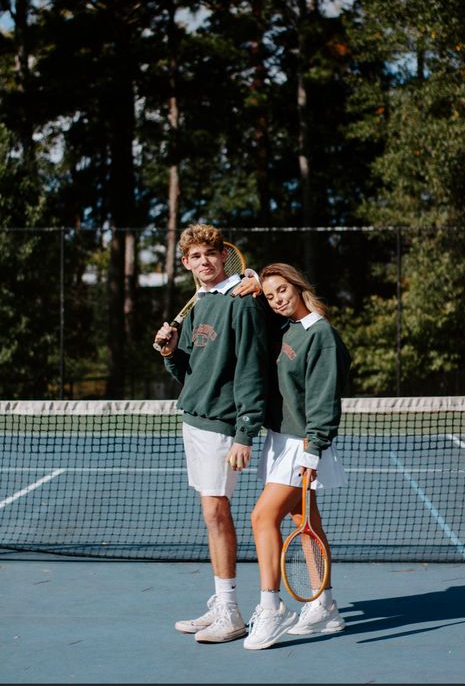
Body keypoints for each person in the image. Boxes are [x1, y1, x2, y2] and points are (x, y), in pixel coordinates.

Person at [154, 224, 268, 644]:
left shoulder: (242, 303)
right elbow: (189, 374)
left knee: (217, 515)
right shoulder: (199, 306)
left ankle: (232, 613)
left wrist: (245, 432)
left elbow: (252, 369)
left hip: (223, 425)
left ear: (225, 257)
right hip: (194, 421)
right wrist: (169, 351)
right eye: (196, 257)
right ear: (186, 263)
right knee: (211, 514)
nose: (205, 262)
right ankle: (222, 602)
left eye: (211, 254)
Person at [233, 263, 351, 651]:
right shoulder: (287, 329)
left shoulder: (322, 336)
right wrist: (252, 278)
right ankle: (325, 604)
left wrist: (313, 451)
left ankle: (272, 608)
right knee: (306, 521)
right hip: (281, 439)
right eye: (270, 295)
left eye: (282, 290)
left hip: (303, 444)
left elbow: (324, 399)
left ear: (298, 286)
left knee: (262, 517)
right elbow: (260, 314)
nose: (277, 300)